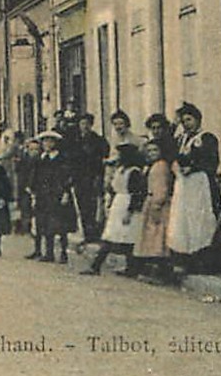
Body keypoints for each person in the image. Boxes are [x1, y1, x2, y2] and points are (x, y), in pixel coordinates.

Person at [167, 102, 221, 273]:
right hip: (184, 185)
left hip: (200, 184)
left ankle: (204, 261)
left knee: (201, 220)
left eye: (189, 120)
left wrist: (194, 167)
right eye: (183, 121)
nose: (186, 124)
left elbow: (212, 161)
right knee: (183, 220)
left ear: (198, 120)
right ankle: (186, 258)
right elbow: (168, 149)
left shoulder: (206, 138)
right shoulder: (181, 139)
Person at [83, 141, 148, 277]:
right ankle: (97, 266)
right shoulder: (120, 170)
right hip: (118, 203)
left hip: (127, 204)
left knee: (127, 237)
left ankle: (128, 269)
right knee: (110, 235)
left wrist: (130, 212)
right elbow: (113, 188)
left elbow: (137, 193)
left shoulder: (134, 172)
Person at [28, 129, 78, 263]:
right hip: (43, 196)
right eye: (45, 142)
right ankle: (48, 253)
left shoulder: (62, 159)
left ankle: (63, 253)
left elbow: (68, 177)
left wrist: (66, 193)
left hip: (58, 194)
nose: (47, 144)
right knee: (45, 224)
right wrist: (33, 191)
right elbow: (35, 177)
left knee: (61, 226)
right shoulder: (41, 159)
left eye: (50, 141)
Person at [135, 138, 175, 284]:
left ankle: (161, 273)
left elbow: (161, 188)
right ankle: (157, 271)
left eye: (155, 150)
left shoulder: (160, 167)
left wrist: (156, 206)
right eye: (149, 151)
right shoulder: (154, 165)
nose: (152, 153)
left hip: (157, 205)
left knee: (158, 238)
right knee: (154, 239)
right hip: (152, 202)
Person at [70, 114, 110, 246]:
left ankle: (95, 234)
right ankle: (87, 233)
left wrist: (99, 176)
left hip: (93, 177)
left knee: (94, 206)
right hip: (79, 178)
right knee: (82, 206)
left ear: (91, 125)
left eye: (87, 123)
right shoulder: (75, 141)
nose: (85, 126)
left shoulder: (98, 140)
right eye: (82, 124)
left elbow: (103, 158)